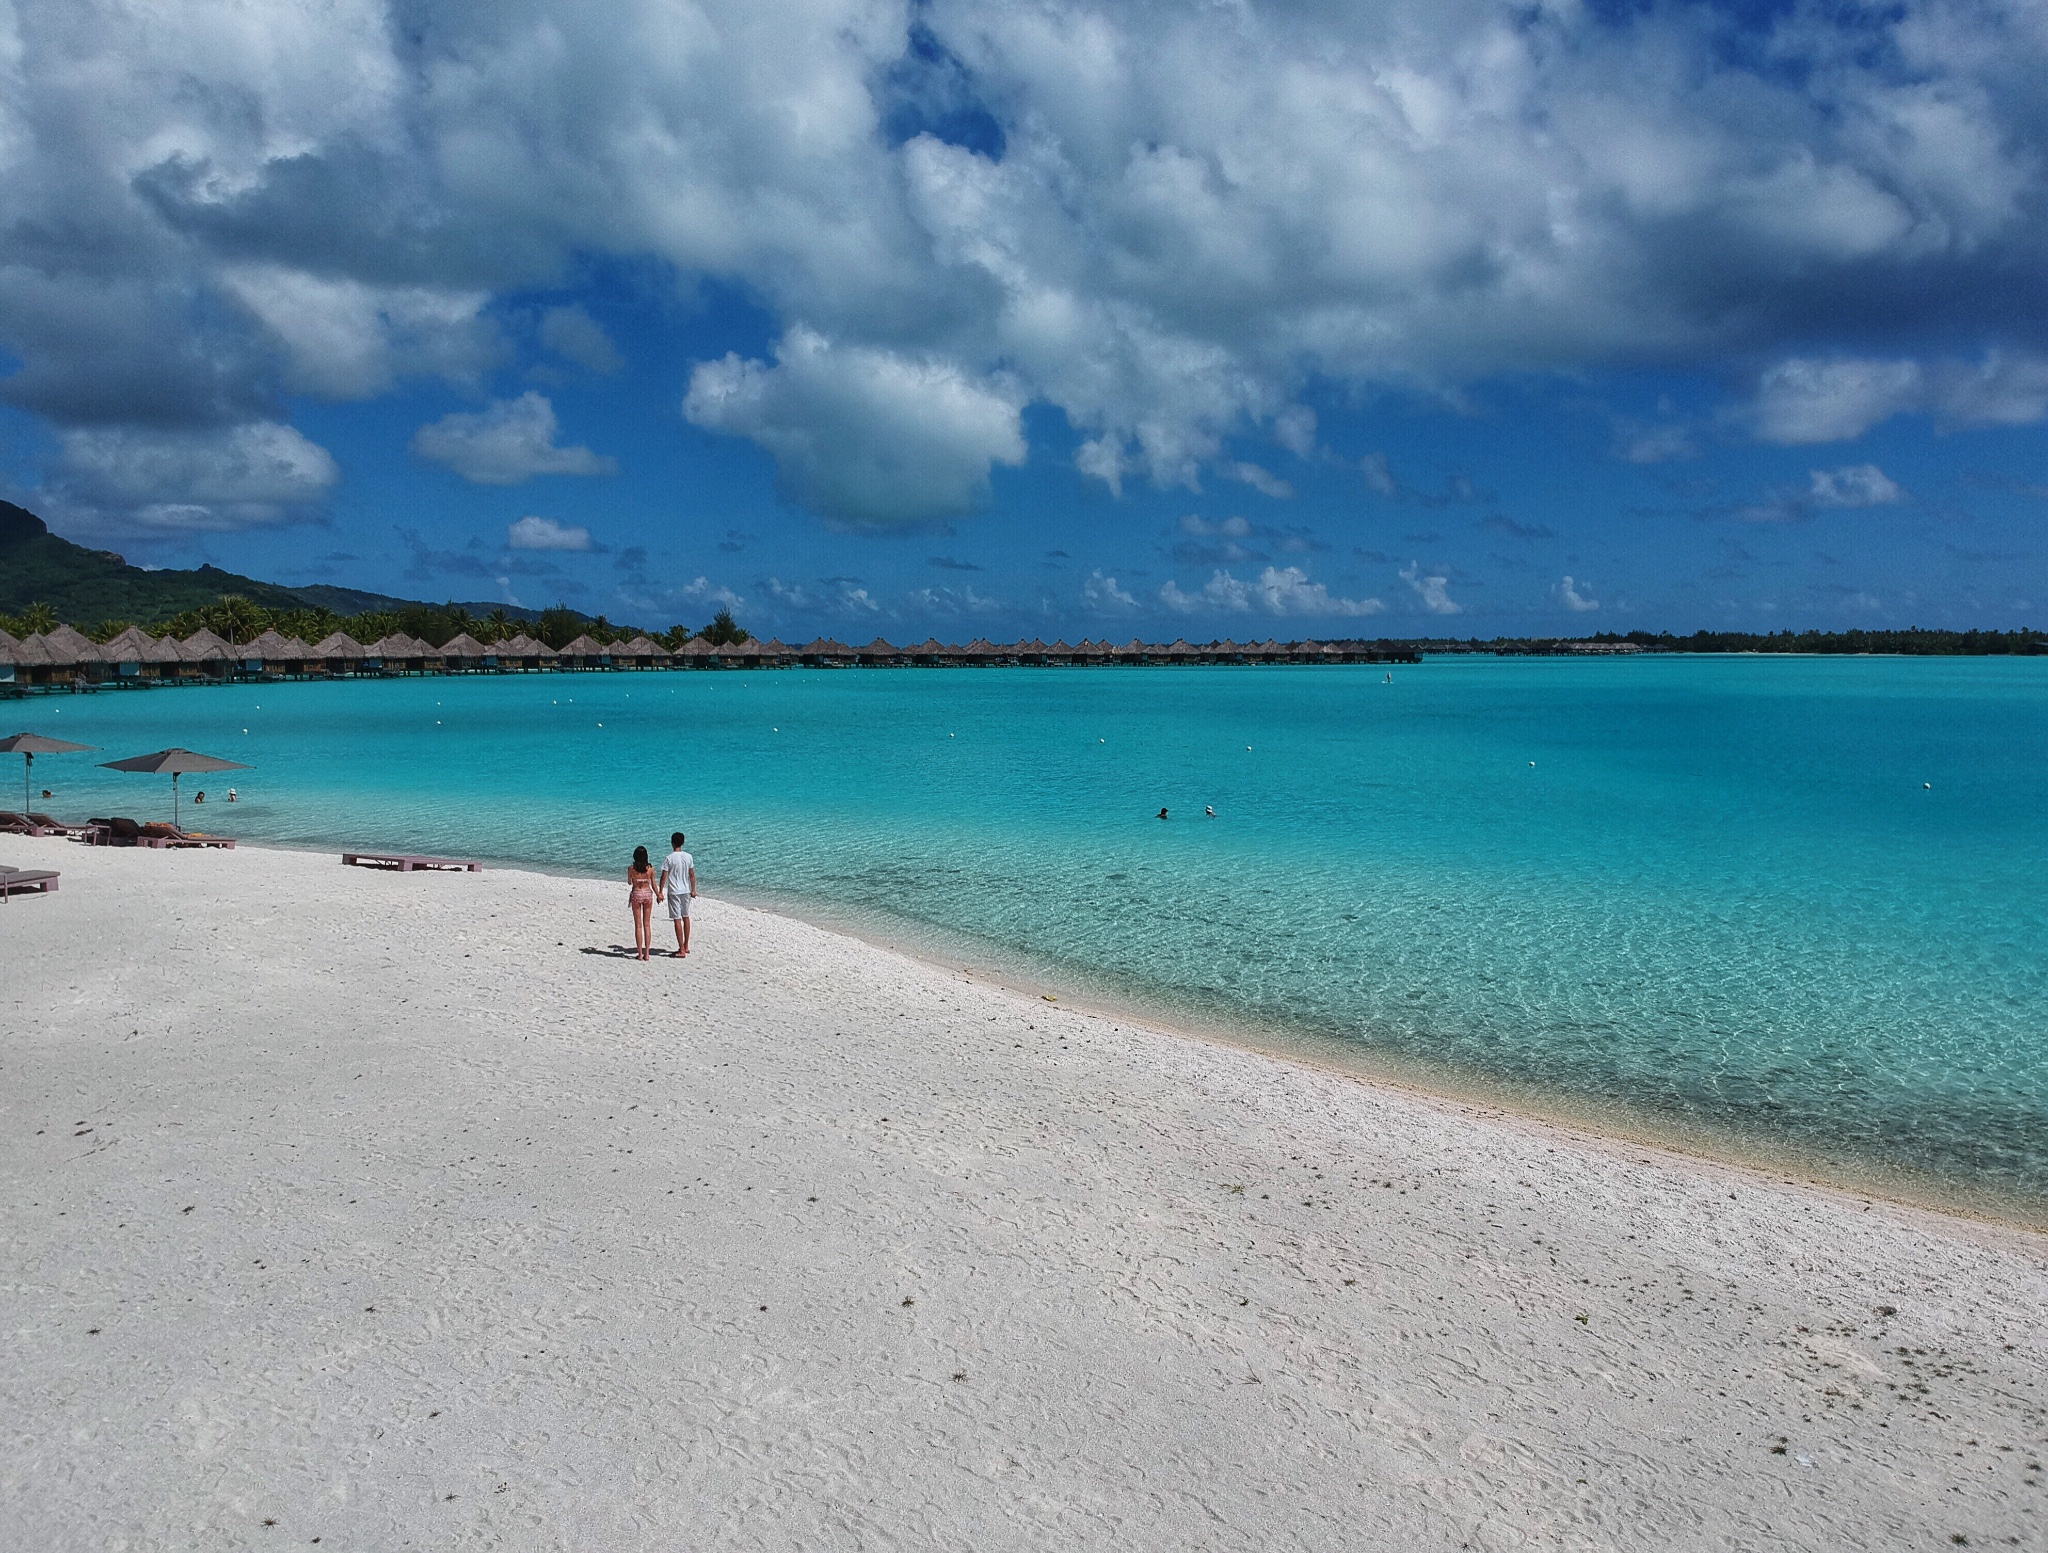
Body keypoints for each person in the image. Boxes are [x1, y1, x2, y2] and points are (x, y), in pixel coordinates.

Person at [658, 832, 697, 958]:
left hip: (674, 891)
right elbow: (691, 875)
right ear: (683, 842)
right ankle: (686, 945)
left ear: (672, 843)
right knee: (686, 916)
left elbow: (664, 876)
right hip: (685, 890)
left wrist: (660, 891)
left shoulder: (669, 858)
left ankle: (681, 949)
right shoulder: (688, 857)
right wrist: (693, 889)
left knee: (677, 919)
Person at [626, 845, 657, 961]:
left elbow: (629, 883)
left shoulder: (631, 869)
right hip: (647, 893)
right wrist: (659, 894)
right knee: (647, 924)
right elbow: (653, 884)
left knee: (638, 925)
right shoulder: (650, 869)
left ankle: (640, 954)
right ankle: (647, 953)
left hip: (637, 894)